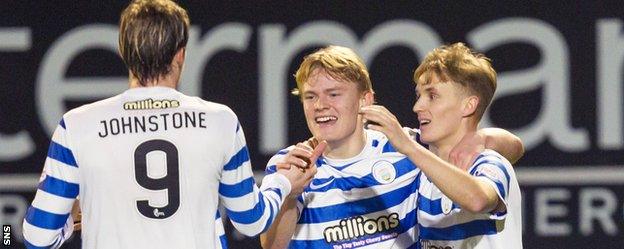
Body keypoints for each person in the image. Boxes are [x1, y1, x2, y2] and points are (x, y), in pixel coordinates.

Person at [21, 1, 321, 248]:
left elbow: (36, 237)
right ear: (181, 54)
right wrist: (282, 183)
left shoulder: (77, 125)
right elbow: (250, 220)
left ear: (124, 52)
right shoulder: (220, 120)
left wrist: (67, 225)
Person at [260, 45, 523, 249]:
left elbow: (506, 152)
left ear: (366, 100)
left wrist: (483, 138)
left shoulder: (406, 148)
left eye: (334, 94)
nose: (320, 105)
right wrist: (291, 194)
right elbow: (272, 247)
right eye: (310, 96)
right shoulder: (290, 164)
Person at [360, 42, 522, 248]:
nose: (417, 107)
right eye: (419, 95)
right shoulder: (415, 154)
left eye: (432, 96)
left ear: (468, 105)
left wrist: (409, 148)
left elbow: (477, 199)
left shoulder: (489, 162)